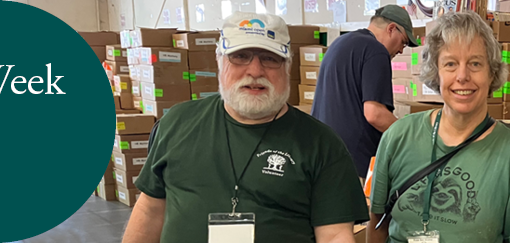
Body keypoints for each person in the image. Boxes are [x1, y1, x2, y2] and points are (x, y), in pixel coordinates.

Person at [122, 12, 370, 243]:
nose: (254, 70)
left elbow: (335, 235)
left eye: (270, 59)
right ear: (220, 62)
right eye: (240, 56)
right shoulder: (177, 123)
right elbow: (150, 209)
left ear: (287, 67)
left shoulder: (322, 144)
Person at [366, 12, 510, 243]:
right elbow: (378, 222)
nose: (462, 76)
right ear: (436, 72)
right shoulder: (398, 137)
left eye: (475, 63)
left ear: (492, 73)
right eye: (450, 64)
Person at [312, 4, 415, 174]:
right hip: (353, 164)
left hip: (323, 157)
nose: (401, 49)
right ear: (391, 29)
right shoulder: (376, 50)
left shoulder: (340, 43)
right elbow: (375, 114)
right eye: (403, 42)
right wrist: (410, 137)